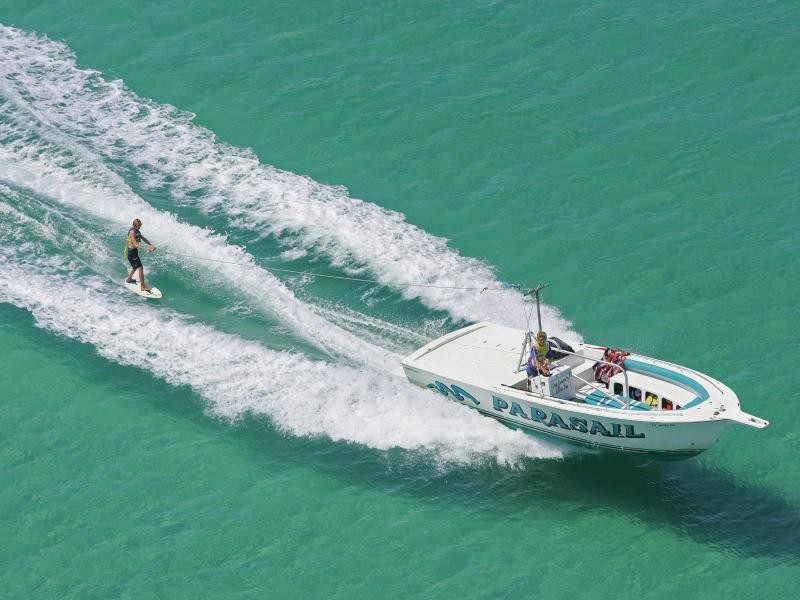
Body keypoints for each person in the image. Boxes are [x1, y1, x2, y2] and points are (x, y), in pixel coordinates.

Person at [125, 218, 157, 293]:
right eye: (139, 226)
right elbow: (135, 244)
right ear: (135, 225)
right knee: (140, 267)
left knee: (135, 266)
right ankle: (143, 287)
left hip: (134, 252)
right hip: (131, 253)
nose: (140, 227)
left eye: (140, 226)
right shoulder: (132, 232)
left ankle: (129, 279)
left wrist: (151, 244)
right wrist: (146, 249)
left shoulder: (137, 231)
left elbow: (143, 238)